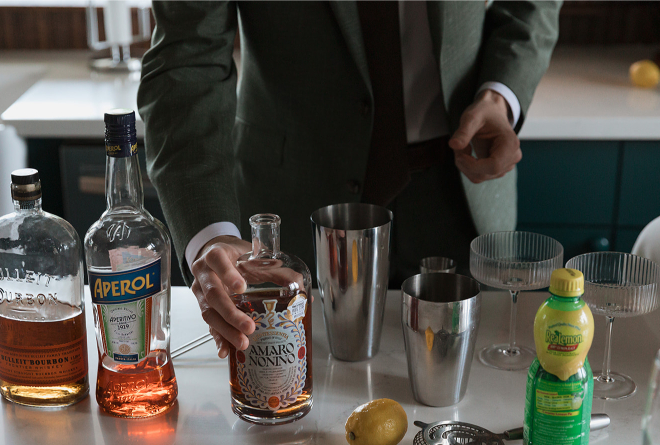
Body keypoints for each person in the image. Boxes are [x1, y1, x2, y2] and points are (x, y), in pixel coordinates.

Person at [138, 1, 562, 359]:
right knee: (293, 431)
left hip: (461, 194)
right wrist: (211, 235)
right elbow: (185, 58)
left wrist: (501, 94)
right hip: (293, 215)